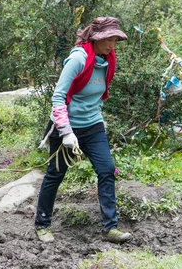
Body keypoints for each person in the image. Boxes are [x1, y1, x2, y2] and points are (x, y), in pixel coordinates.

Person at [35, 17, 133, 244]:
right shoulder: (78, 59)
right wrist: (67, 132)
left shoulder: (108, 60)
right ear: (96, 38)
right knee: (55, 174)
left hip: (93, 125)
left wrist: (97, 115)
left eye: (115, 39)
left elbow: (98, 93)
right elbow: (58, 96)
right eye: (108, 39)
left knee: (107, 169)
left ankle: (110, 228)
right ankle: (42, 224)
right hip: (65, 126)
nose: (112, 44)